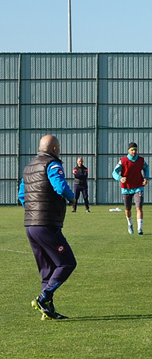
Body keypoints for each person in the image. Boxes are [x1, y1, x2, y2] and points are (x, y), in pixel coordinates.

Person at [18, 135, 77, 320]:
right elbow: (60, 187)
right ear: (54, 149)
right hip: (46, 224)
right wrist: (72, 197)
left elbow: (22, 195)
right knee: (67, 262)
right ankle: (44, 298)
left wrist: (33, 212)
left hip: (30, 225)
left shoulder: (29, 168)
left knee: (47, 269)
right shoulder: (52, 164)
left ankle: (47, 310)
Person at [112, 142, 149, 235]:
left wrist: (146, 178)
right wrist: (120, 178)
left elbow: (146, 168)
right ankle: (130, 224)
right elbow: (114, 172)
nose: (134, 151)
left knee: (139, 207)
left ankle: (140, 229)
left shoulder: (141, 160)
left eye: (135, 150)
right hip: (126, 188)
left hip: (138, 187)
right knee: (128, 209)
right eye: (132, 150)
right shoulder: (123, 161)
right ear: (129, 151)